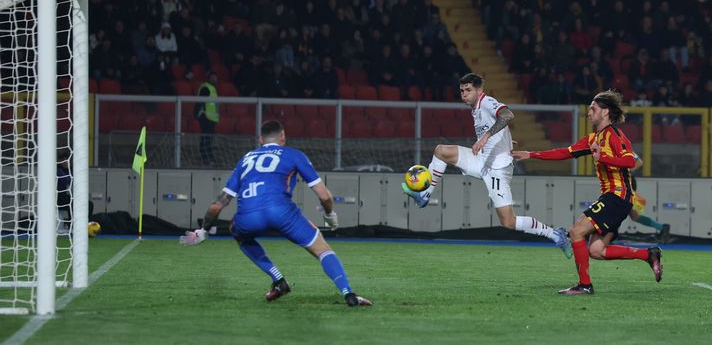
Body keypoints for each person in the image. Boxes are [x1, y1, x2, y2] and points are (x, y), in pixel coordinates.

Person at [179, 120, 372, 307]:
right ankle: (349, 293)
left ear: (260, 140)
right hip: (282, 213)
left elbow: (217, 205)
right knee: (322, 250)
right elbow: (324, 196)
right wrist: (330, 215)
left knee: (237, 232)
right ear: (283, 137)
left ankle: (278, 279)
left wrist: (203, 231)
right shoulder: (294, 155)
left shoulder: (246, 159)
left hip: (249, 217)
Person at [402, 73, 572, 257]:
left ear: (479, 91)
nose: (464, 94)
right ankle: (425, 194)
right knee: (441, 151)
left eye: (468, 90)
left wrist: (486, 137)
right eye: (461, 91)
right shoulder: (475, 108)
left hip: (497, 170)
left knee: (508, 221)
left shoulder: (486, 101)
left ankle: (555, 234)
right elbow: (498, 124)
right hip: (482, 159)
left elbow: (507, 115)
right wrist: (503, 139)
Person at [512, 90, 663, 295]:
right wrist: (531, 154)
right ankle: (649, 254)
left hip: (618, 195)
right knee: (596, 251)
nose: (589, 113)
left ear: (605, 111)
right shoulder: (593, 138)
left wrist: (604, 158)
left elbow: (631, 161)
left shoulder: (615, 135)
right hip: (610, 197)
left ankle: (585, 285)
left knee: (576, 232)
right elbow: (564, 152)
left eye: (593, 109)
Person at [629, 155, 671, 243]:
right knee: (633, 215)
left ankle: (610, 236)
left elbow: (639, 162)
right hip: (623, 182)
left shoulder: (623, 148)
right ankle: (662, 227)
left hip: (625, 182)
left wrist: (627, 171)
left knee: (617, 210)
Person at [194, 71, 219, 166]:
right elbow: (200, 102)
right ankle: (207, 159)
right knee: (206, 139)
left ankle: (208, 158)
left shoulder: (212, 89)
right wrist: (200, 113)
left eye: (216, 77)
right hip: (206, 117)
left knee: (208, 139)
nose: (215, 79)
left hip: (211, 118)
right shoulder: (206, 87)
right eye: (213, 77)